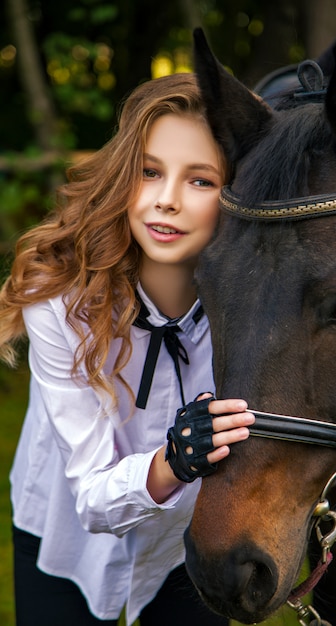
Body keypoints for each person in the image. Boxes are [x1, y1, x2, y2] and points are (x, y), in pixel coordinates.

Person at [0, 73, 255, 626]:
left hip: (187, 540)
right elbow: (91, 494)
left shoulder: (255, 304)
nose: (166, 200)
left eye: (201, 180)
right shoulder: (61, 304)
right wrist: (174, 460)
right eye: (151, 172)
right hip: (65, 535)